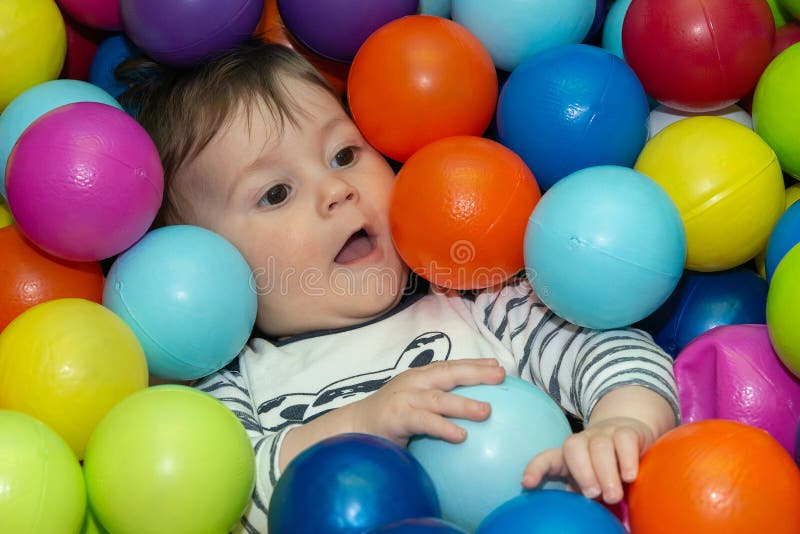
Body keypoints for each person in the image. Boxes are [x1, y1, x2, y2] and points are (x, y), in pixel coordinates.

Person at [121, 40, 679, 533]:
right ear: (203, 263)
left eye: (344, 155)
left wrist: (622, 421)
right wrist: (363, 427)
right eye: (276, 193)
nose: (336, 189)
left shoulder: (473, 299)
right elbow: (228, 495)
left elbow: (606, 346)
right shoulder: (227, 386)